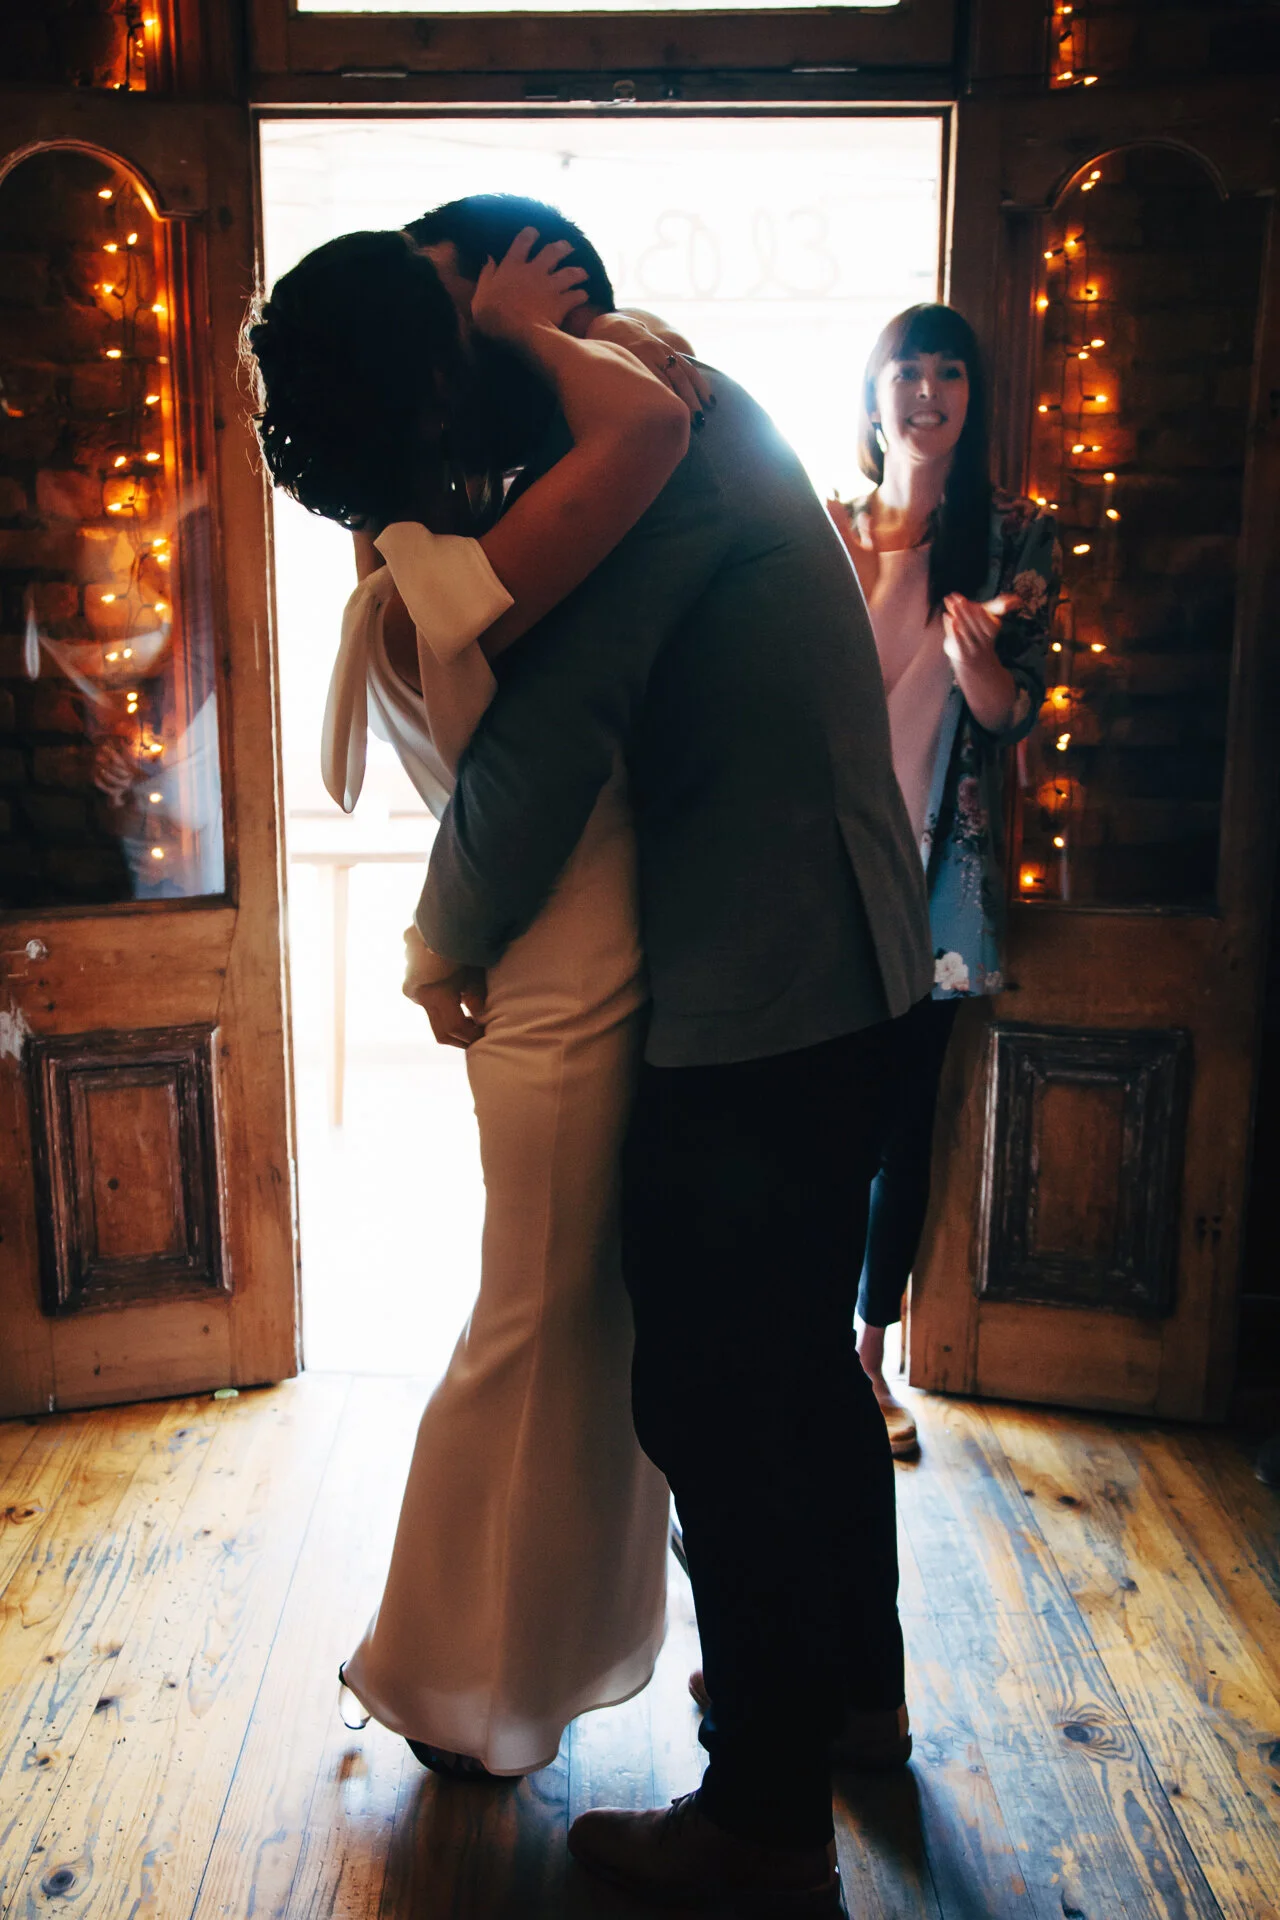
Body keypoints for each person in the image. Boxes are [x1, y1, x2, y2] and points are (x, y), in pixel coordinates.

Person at [391, 208, 934, 1911]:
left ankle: (759, 1824)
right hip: (845, 973)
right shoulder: (683, 402)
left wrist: (437, 946)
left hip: (762, 989)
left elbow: (553, 739)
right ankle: (846, 1698)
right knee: (794, 1373)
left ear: (513, 315)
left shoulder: (639, 438)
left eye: (454, 323)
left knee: (717, 1388)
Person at [247, 212, 707, 1779]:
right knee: (531, 1329)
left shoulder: (422, 563)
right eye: (454, 315)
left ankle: (515, 1674)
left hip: (557, 978)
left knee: (570, 1335)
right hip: (574, 996)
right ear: (432, 378)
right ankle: (445, 1679)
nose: (486, 314)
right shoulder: (467, 576)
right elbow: (647, 422)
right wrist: (525, 330)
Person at [828, 304, 1059, 1458]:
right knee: (813, 1125)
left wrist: (979, 676)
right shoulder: (821, 529)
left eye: (947, 373)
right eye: (904, 372)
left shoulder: (1014, 538)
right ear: (870, 396)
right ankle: (802, 1356)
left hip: (935, 884)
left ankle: (869, 1363)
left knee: (897, 1132)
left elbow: (1012, 721)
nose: (925, 392)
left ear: (972, 396)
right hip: (812, 880)